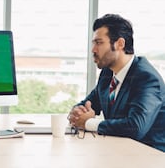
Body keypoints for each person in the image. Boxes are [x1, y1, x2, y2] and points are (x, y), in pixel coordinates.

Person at [68, 14, 165, 152]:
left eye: (99, 43)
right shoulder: (108, 74)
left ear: (120, 44)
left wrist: (88, 122)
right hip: (118, 153)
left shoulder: (146, 78)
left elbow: (135, 127)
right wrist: (78, 112)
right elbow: (89, 102)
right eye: (93, 43)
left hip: (149, 158)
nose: (93, 50)